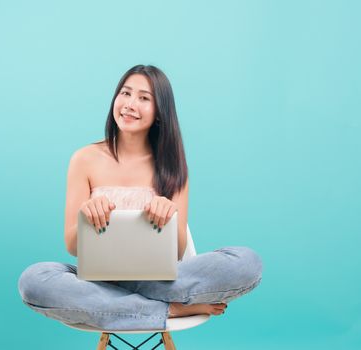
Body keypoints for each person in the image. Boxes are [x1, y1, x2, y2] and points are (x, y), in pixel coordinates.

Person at [18, 64, 263, 331]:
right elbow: (72, 246)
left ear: (160, 113)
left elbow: (179, 252)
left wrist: (169, 213)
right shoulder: (84, 159)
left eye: (144, 98)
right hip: (97, 281)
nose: (129, 104)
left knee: (248, 262)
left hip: (160, 278)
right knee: (33, 280)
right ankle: (168, 309)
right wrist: (87, 215)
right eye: (125, 93)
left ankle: (124, 304)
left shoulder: (173, 167)